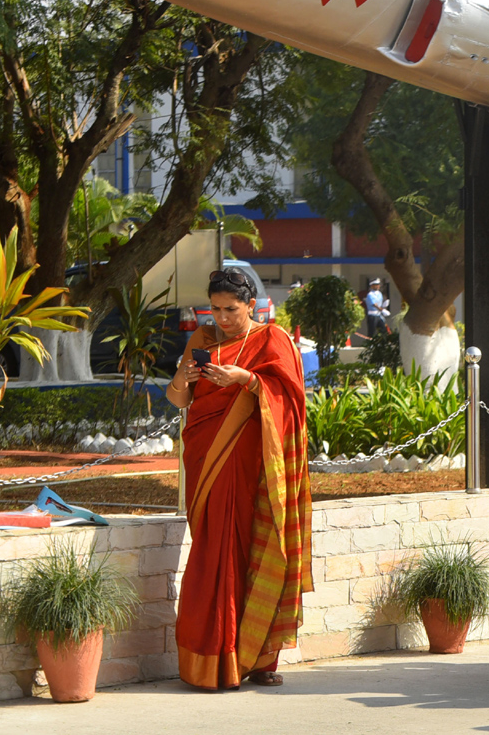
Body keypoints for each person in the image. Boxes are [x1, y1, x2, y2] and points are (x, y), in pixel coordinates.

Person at [165, 268, 312, 689]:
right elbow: (178, 398)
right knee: (214, 550)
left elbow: (291, 399)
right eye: (215, 309)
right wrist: (184, 378)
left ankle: (260, 659)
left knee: (257, 545)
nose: (223, 318)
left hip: (255, 464)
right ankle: (212, 661)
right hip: (206, 457)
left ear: (251, 305)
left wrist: (246, 379)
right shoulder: (203, 340)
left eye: (231, 309)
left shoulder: (272, 340)